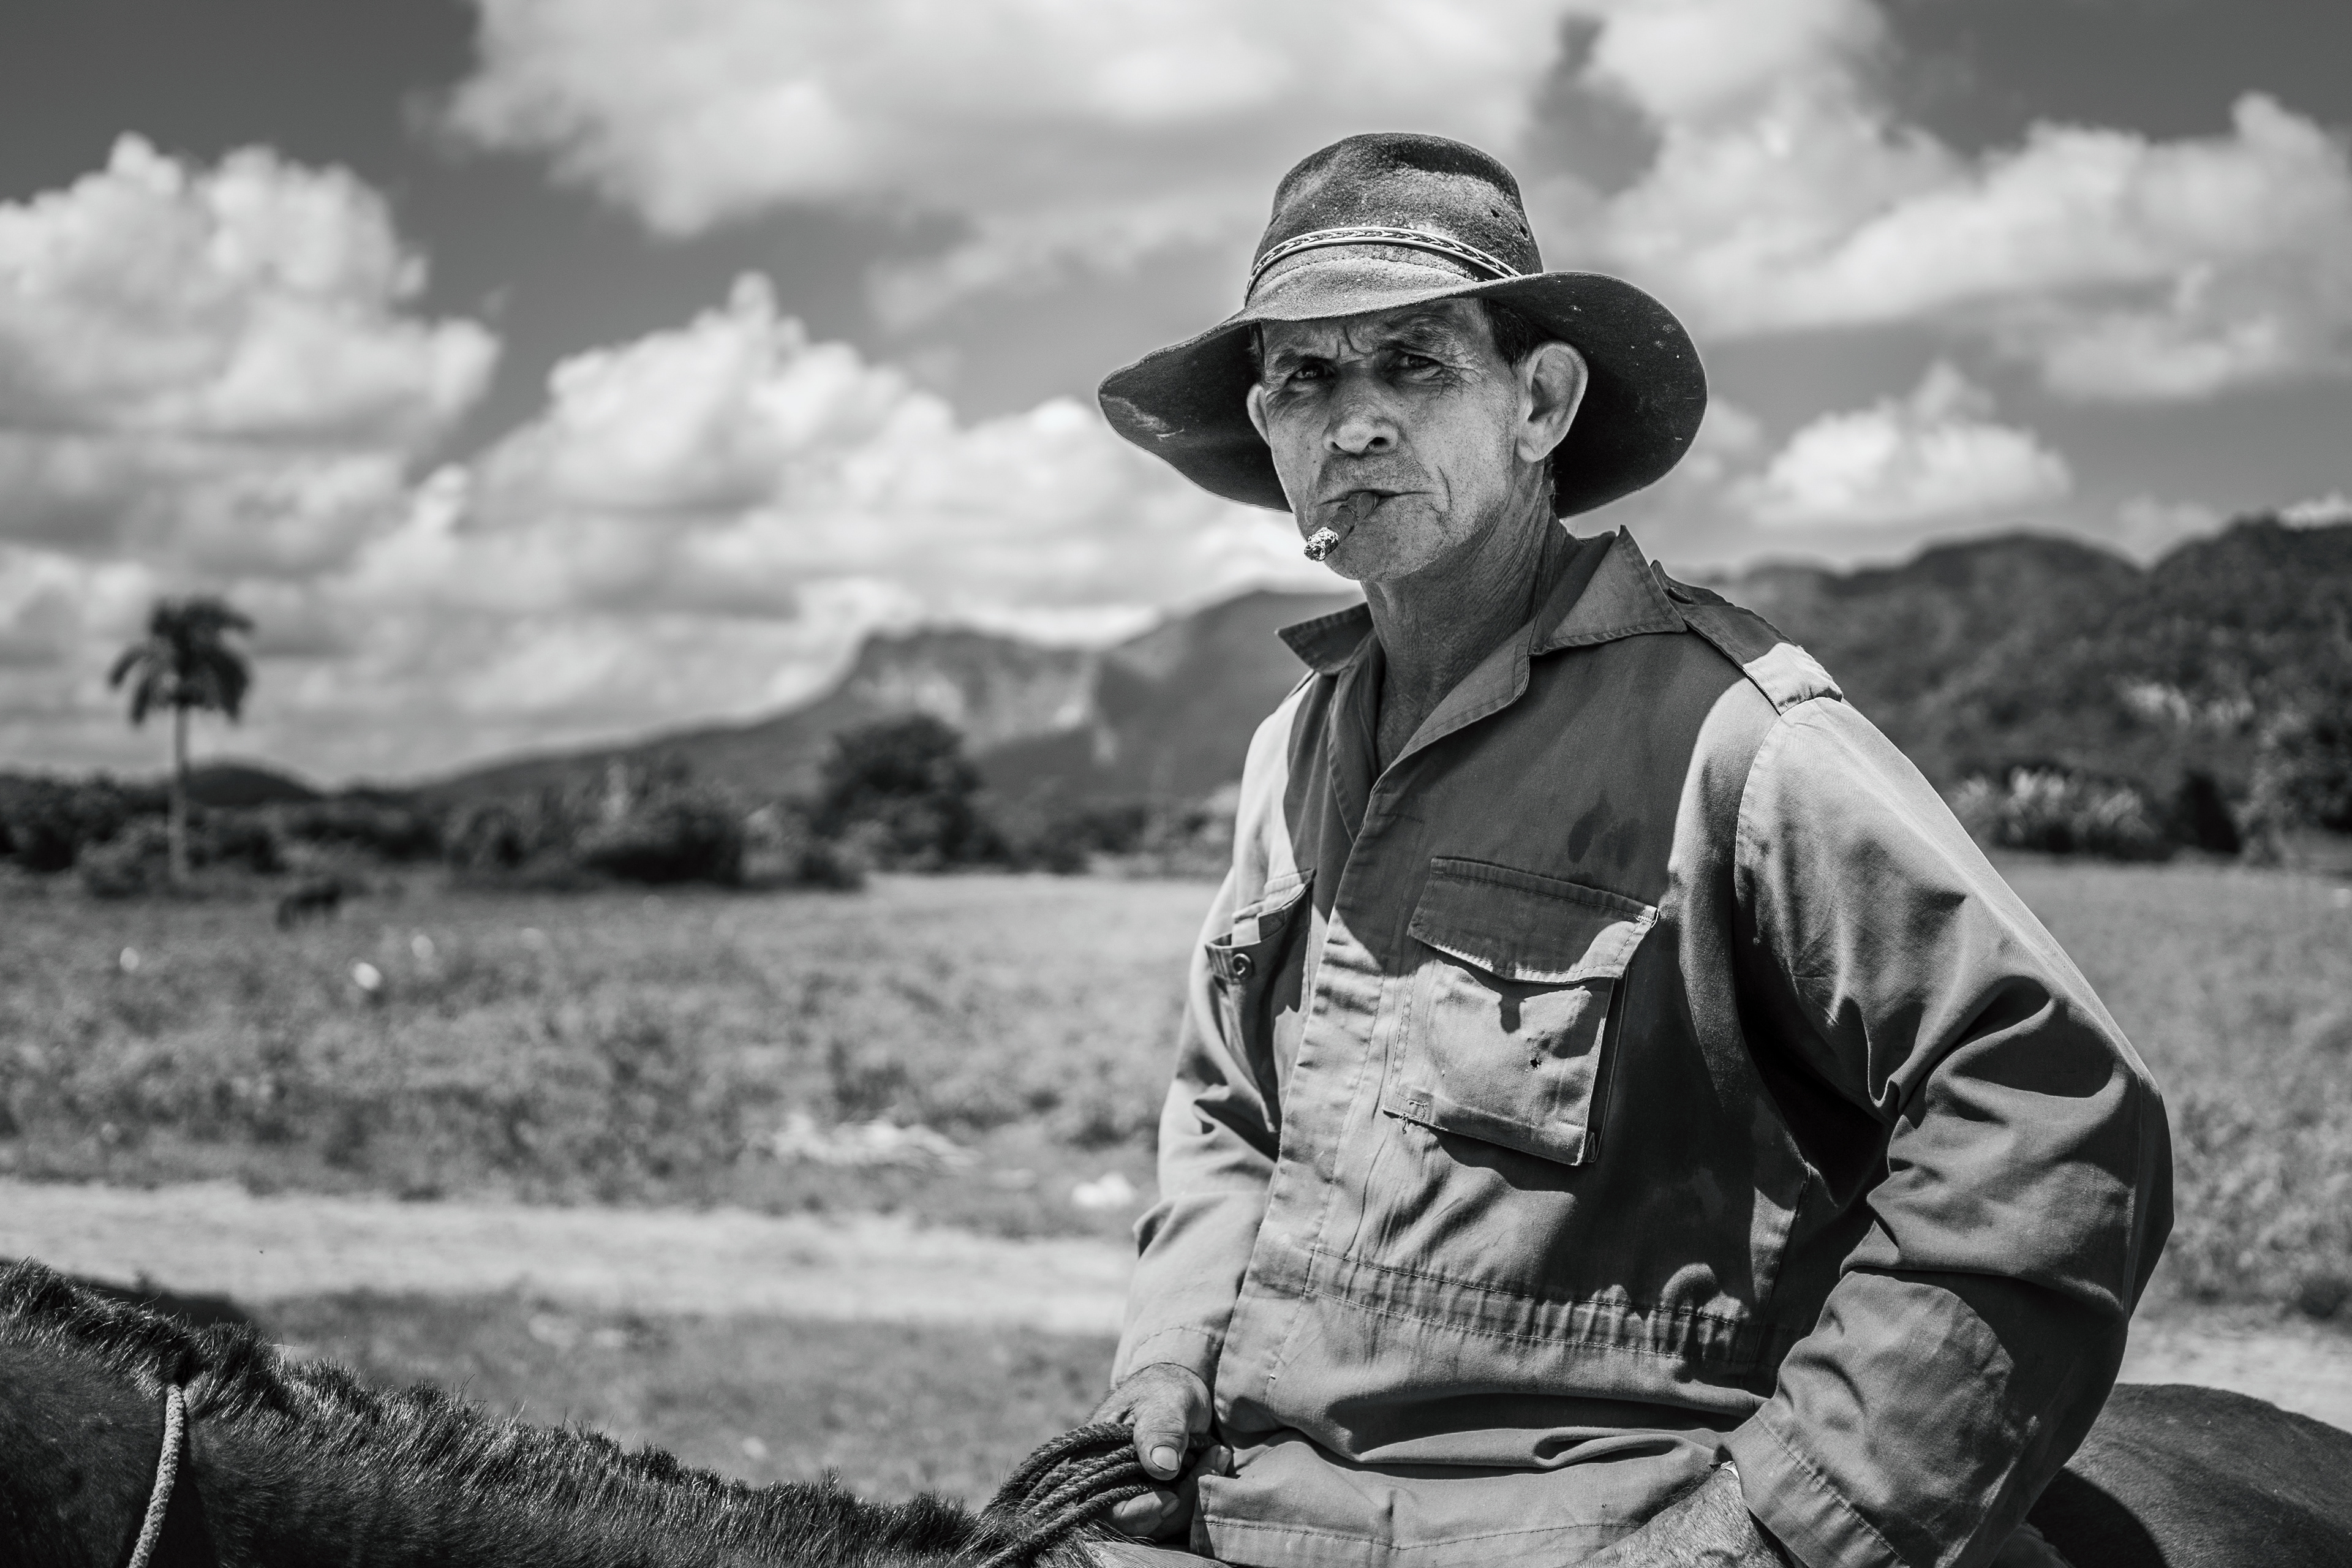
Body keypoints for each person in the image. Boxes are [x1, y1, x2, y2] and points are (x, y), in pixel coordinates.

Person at [1082, 132, 2172, 1568]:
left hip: (1610, 1516)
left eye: (1412, 364)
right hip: (1255, 1498)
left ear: (1538, 403)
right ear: (1264, 424)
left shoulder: (1738, 734)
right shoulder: (1289, 750)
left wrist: (1776, 1525)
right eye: (1306, 377)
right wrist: (1168, 1354)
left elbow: (2050, 1107)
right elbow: (1230, 1108)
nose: (1352, 424)